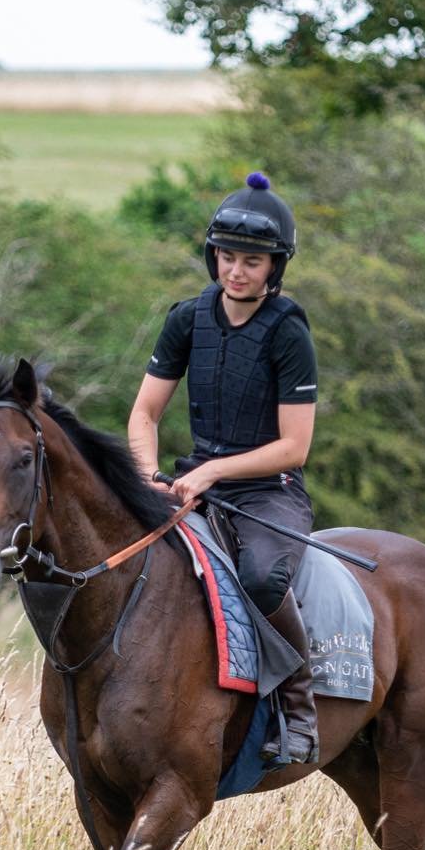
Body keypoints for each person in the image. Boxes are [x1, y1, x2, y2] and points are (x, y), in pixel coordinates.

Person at [128, 171, 320, 765]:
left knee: (261, 576)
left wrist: (212, 474)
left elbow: (295, 447)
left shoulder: (289, 332)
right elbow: (144, 412)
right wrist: (146, 474)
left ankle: (298, 707)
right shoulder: (188, 318)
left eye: (252, 262)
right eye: (227, 257)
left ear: (274, 267)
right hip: (190, 480)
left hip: (269, 491)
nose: (236, 271)